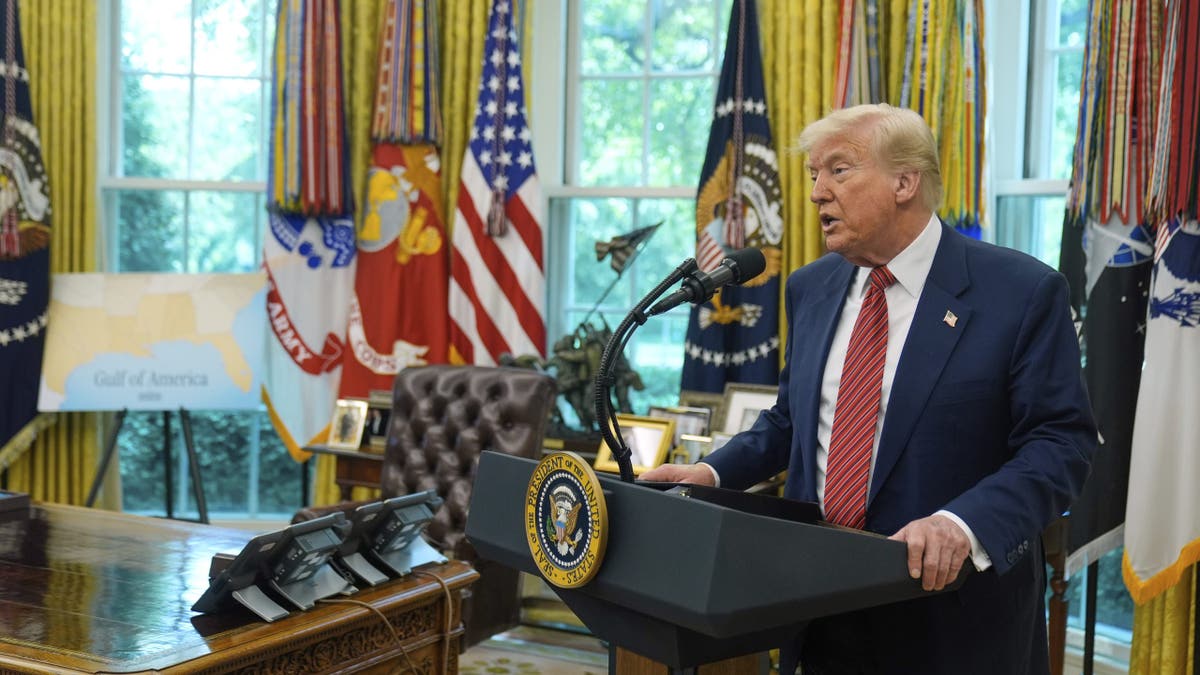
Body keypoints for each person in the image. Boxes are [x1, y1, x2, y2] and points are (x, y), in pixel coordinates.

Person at [640, 103, 1096, 675]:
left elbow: (1060, 445)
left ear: (905, 182)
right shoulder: (811, 287)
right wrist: (710, 474)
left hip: (950, 615)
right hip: (817, 605)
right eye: (814, 175)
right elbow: (791, 421)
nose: (816, 193)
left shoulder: (1020, 291)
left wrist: (962, 525)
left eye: (838, 170)